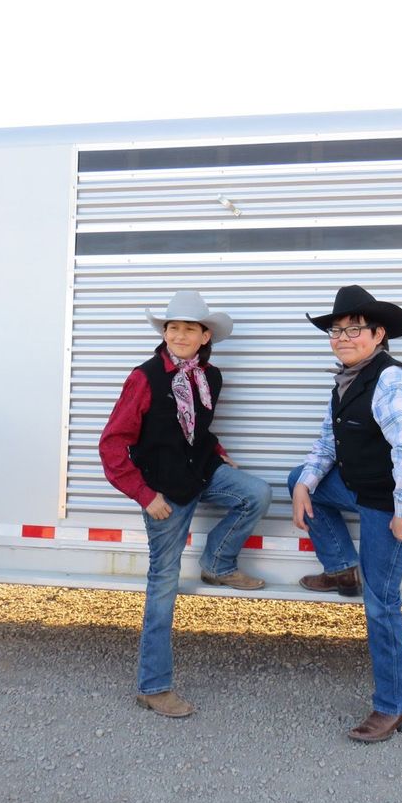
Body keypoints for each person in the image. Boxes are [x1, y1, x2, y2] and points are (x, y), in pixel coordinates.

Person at [99, 290, 271, 718]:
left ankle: (218, 563)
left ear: (204, 334)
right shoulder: (144, 378)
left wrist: (218, 453)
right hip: (164, 493)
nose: (178, 334)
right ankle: (153, 687)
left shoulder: (209, 377)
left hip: (199, 472)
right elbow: (112, 444)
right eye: (171, 327)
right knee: (164, 583)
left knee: (256, 493)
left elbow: (197, 429)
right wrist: (145, 495)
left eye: (188, 328)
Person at [288, 285, 402, 743]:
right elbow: (328, 445)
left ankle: (395, 707)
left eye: (353, 330)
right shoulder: (345, 382)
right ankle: (341, 568)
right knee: (299, 475)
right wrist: (304, 484)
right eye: (336, 331)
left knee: (381, 603)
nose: (342, 338)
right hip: (362, 487)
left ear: (378, 334)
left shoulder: (395, 380)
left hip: (394, 500)